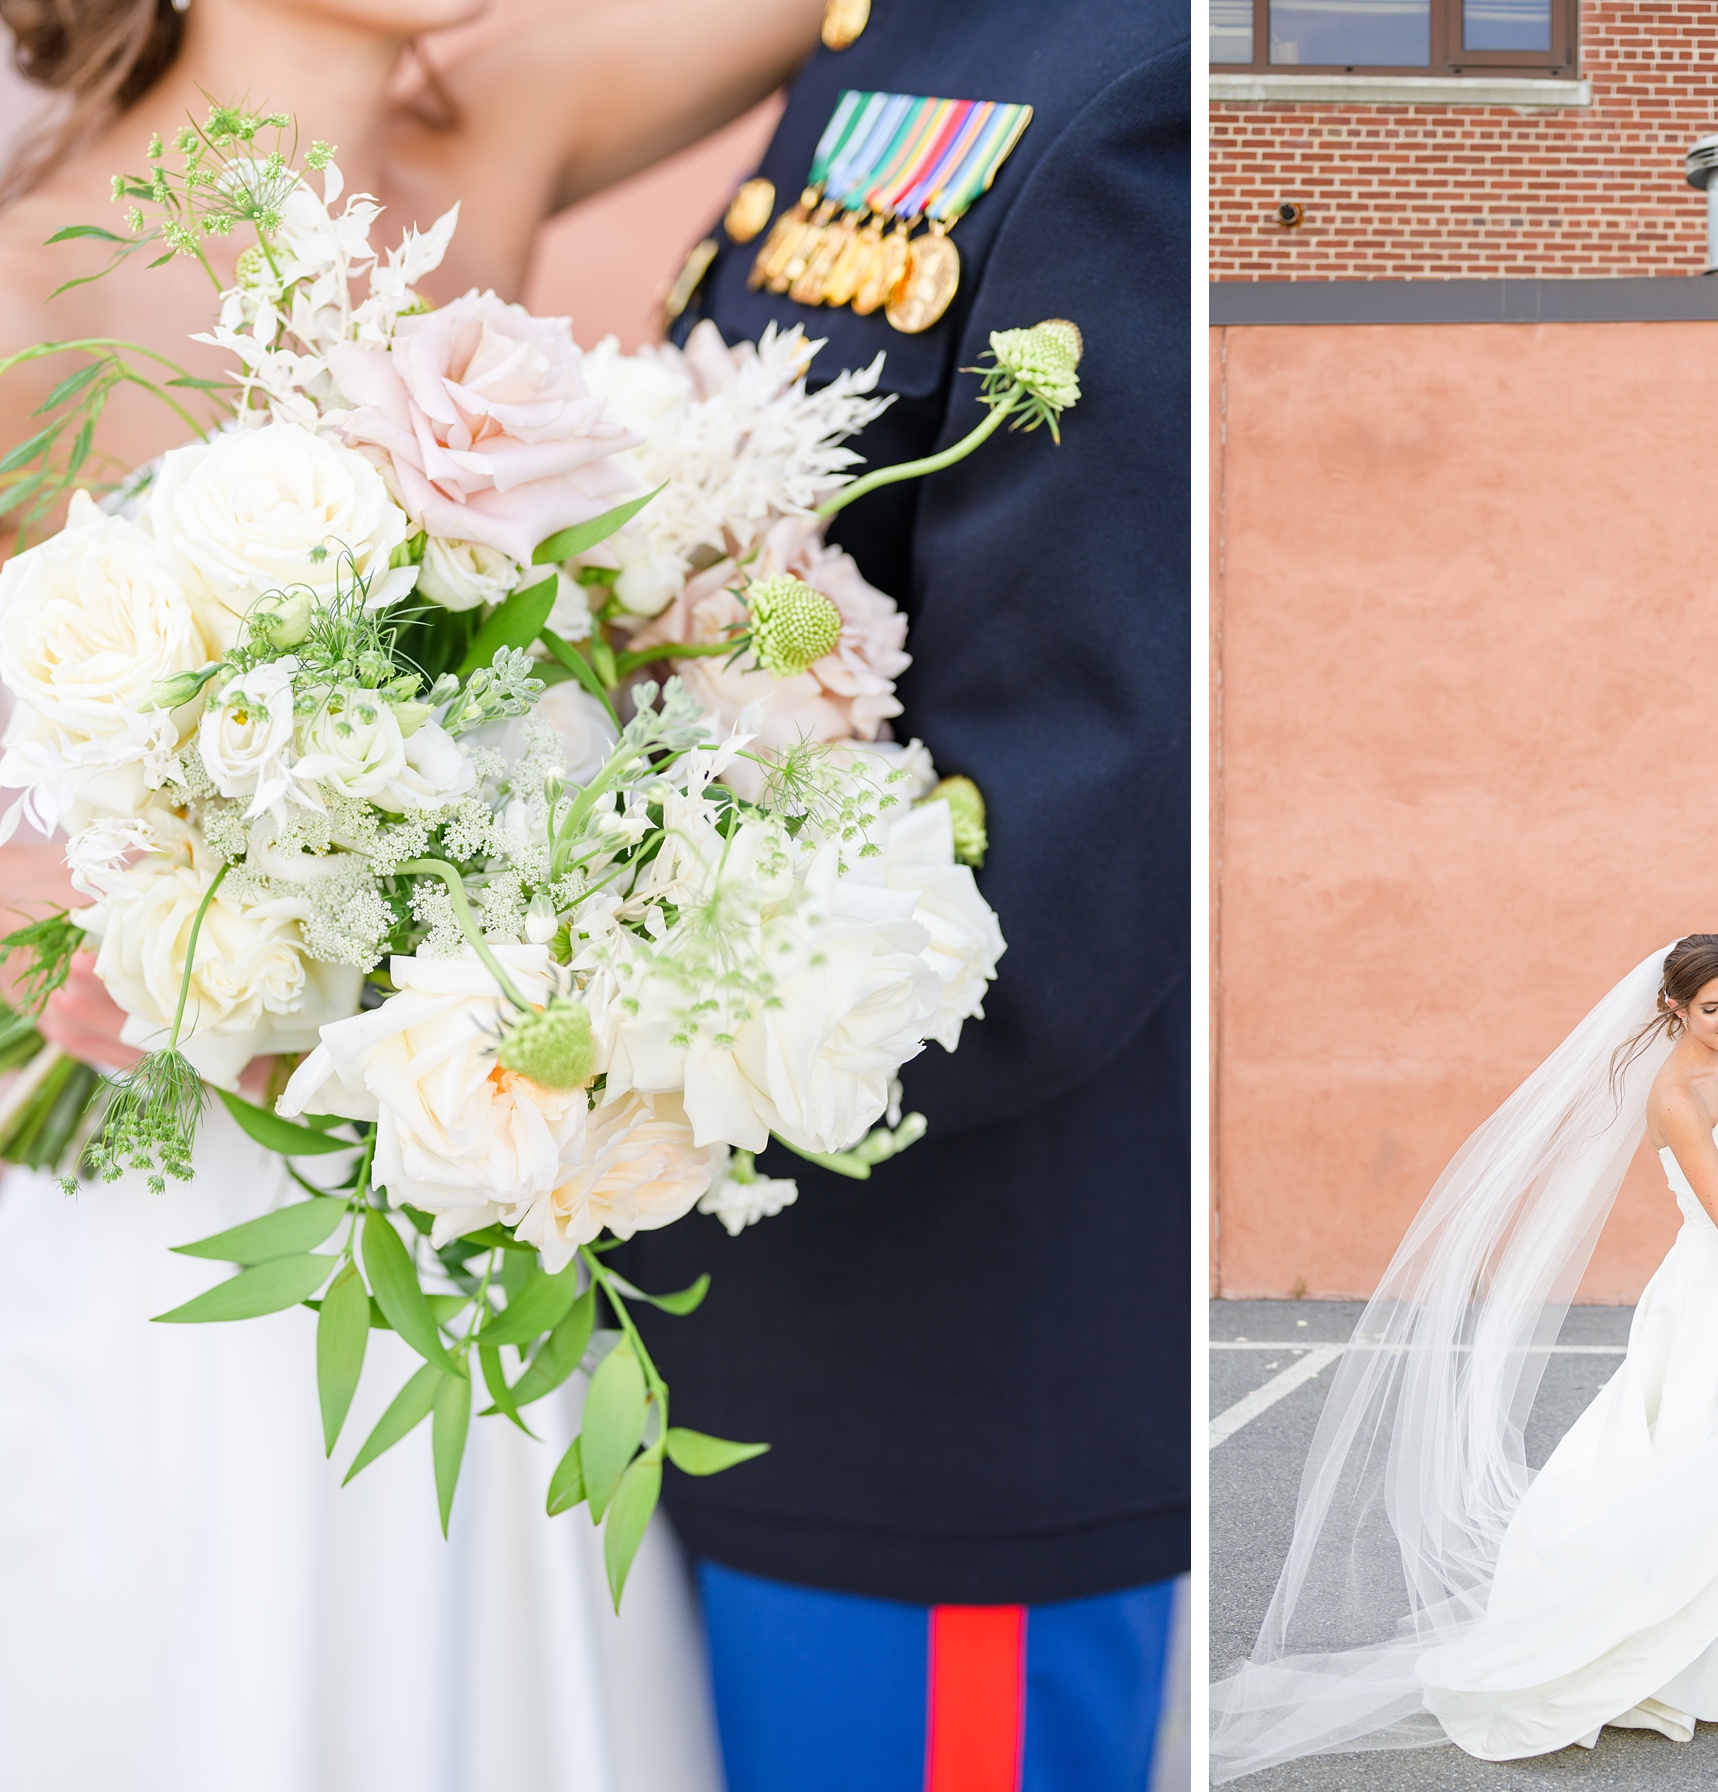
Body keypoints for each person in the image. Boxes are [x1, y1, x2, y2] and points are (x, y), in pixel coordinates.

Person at [0, 3, 841, 1787]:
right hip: (160, 1167)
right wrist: (48, 914)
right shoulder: (29, 250)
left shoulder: (486, 126)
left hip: (450, 1144)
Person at [614, 3, 1191, 1787]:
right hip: (742, 1322)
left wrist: (534, 1025)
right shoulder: (886, 37)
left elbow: (1056, 839)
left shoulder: (1129, 86)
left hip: (947, 1381)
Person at [1210, 935, 1718, 1783]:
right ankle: (1690, 1657)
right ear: (1673, 1007)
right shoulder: (1674, 1095)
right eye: (1711, 1007)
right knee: (1704, 1457)